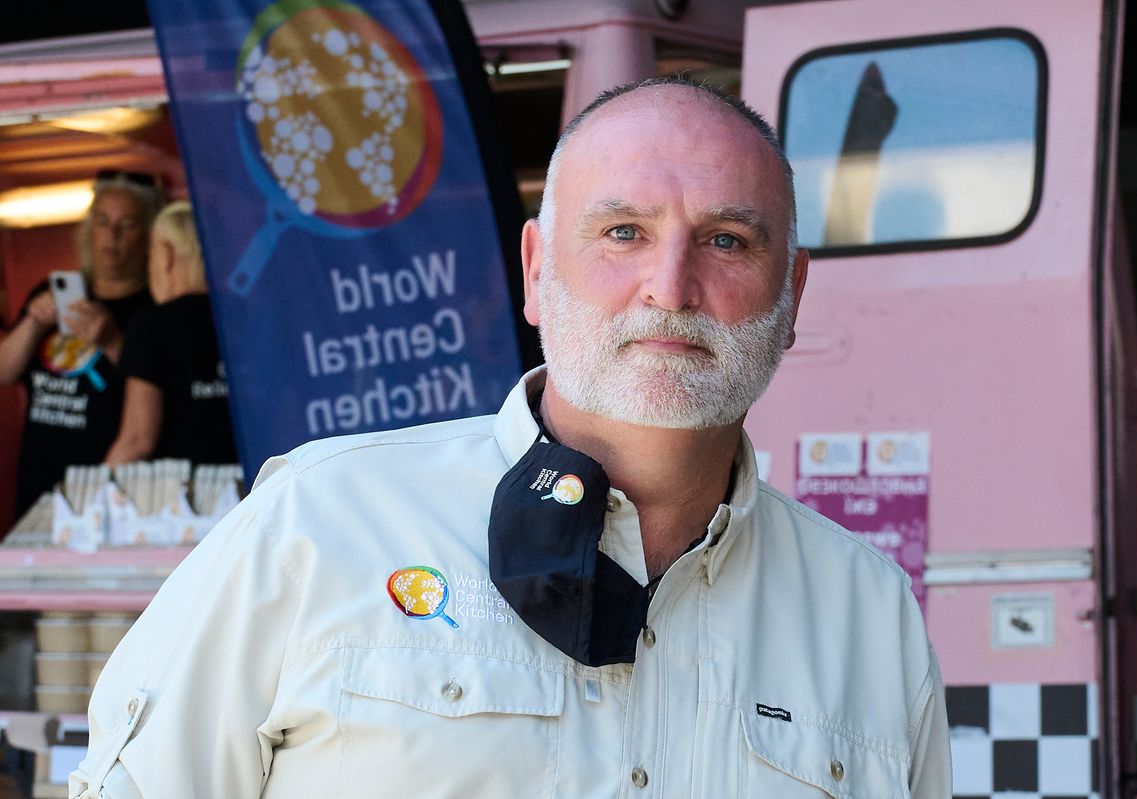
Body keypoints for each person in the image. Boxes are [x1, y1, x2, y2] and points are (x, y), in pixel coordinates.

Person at [72, 78, 950, 797]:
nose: (671, 286)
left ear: (791, 295)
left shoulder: (868, 613)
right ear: (535, 271)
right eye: (623, 233)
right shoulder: (317, 524)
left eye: (727, 239)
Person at [0, 171, 163, 517]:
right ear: (89, 229)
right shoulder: (54, 293)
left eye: (127, 224)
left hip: (111, 492)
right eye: (102, 222)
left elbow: (165, 398)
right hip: (38, 485)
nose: (112, 236)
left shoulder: (151, 310)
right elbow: (4, 371)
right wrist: (32, 321)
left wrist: (113, 341)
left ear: (149, 235)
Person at [104, 201, 237, 467]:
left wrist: (89, 499)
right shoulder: (246, 316)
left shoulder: (152, 325)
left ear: (165, 255)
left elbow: (138, 440)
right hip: (259, 484)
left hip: (184, 499)